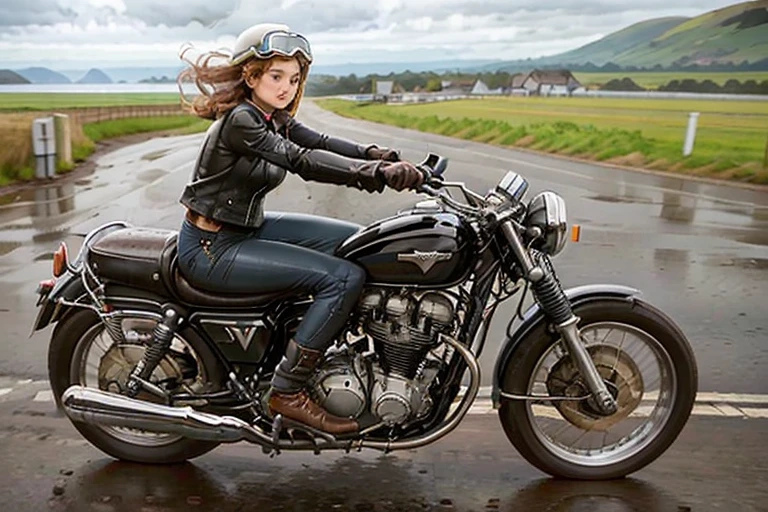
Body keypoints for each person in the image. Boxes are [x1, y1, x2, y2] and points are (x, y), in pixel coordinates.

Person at [175, 23, 424, 435]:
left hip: (245, 230)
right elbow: (302, 160)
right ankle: (287, 390)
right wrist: (376, 174)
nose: (287, 86)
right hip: (210, 247)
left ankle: (346, 344)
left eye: (293, 78)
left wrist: (377, 154)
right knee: (344, 278)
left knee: (358, 243)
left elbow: (320, 141)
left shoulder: (272, 117)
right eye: (276, 76)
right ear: (251, 76)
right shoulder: (242, 121)